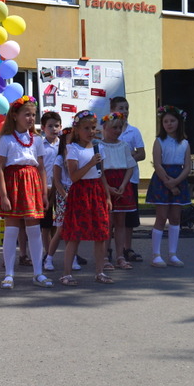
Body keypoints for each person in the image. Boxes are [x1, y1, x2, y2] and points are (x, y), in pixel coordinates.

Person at [0, 95, 53, 289]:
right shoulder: (5, 139)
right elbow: (0, 168)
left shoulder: (37, 139)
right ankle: (9, 274)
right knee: (11, 229)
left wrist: (45, 193)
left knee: (34, 229)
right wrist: (4, 195)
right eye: (26, 114)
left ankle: (38, 273)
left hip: (32, 184)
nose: (30, 118)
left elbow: (42, 167)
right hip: (13, 184)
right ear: (15, 115)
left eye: (33, 115)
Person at [59, 111, 112, 285]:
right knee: (75, 235)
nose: (90, 132)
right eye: (86, 128)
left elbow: (101, 174)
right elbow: (74, 177)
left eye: (93, 128)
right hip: (80, 192)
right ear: (77, 130)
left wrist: (108, 196)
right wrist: (90, 163)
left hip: (96, 191)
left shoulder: (98, 147)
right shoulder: (73, 149)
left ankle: (100, 272)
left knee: (100, 234)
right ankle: (66, 274)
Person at [145, 105, 192, 268]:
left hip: (178, 178)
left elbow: (187, 167)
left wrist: (176, 181)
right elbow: (157, 164)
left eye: (172, 121)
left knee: (175, 218)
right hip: (162, 178)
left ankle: (172, 254)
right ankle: (156, 254)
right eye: (165, 121)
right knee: (161, 217)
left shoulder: (185, 143)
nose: (169, 124)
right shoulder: (159, 141)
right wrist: (169, 183)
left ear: (179, 122)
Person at [99, 112, 137, 269]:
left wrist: (123, 185)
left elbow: (130, 166)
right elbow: (99, 170)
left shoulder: (124, 146)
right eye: (114, 127)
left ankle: (120, 255)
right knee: (108, 223)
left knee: (121, 223)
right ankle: (105, 256)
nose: (117, 130)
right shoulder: (99, 146)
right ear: (105, 127)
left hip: (122, 184)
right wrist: (107, 187)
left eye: (120, 127)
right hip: (106, 183)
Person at [44, 128, 81, 273]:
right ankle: (49, 258)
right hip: (63, 196)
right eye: (70, 139)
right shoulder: (59, 159)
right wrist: (65, 195)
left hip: (76, 194)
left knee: (75, 229)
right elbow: (57, 182)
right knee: (61, 229)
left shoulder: (76, 156)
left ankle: (73, 258)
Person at [114, 96, 145, 264]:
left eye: (126, 108)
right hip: (112, 180)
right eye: (121, 108)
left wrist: (127, 156)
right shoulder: (108, 129)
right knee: (112, 215)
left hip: (130, 179)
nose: (125, 111)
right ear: (113, 111)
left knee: (129, 217)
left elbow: (141, 153)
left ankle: (127, 248)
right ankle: (109, 248)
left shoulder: (134, 131)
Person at [39, 111, 61, 260]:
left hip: (60, 188)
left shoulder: (63, 145)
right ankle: (47, 253)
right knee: (46, 225)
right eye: (50, 126)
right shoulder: (40, 144)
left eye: (56, 126)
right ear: (43, 128)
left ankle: (60, 253)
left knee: (59, 223)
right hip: (45, 188)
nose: (54, 129)